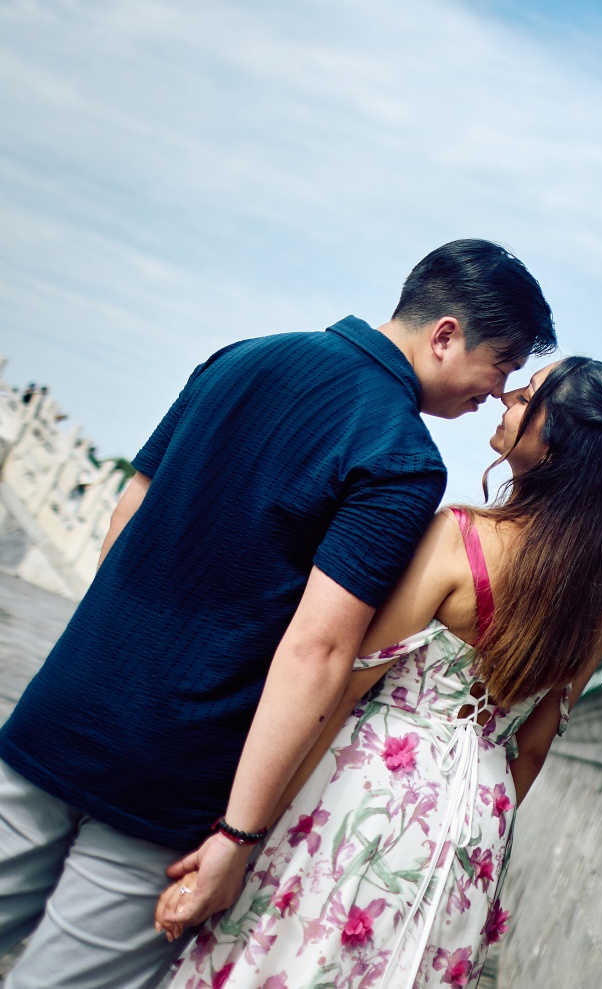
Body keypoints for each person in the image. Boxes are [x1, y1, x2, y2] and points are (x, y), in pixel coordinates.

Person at [0, 240, 555, 989]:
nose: (498, 391)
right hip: (174, 769)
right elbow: (318, 650)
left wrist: (118, 662)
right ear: (446, 335)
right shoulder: (399, 456)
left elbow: (126, 515)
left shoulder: (240, 357)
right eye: (502, 363)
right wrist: (238, 834)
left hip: (59, 708)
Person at [156, 356, 602, 989]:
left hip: (372, 792)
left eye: (526, 394)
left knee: (296, 953)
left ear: (554, 437)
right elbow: (529, 752)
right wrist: (478, 829)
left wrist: (245, 834)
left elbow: (343, 688)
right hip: (477, 824)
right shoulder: (597, 600)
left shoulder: (460, 538)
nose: (507, 395)